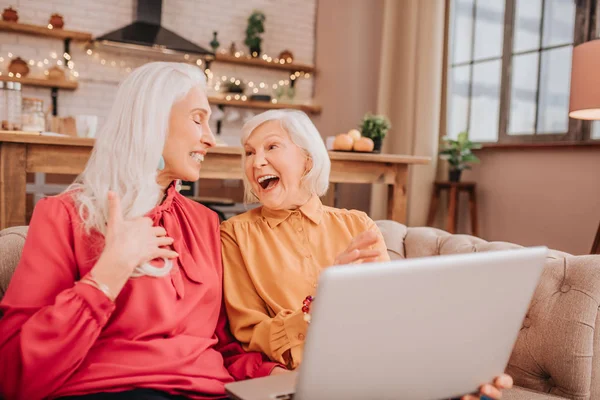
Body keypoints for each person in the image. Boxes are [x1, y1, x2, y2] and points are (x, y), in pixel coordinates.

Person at [0, 62, 284, 400]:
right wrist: (109, 273)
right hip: (113, 391)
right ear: (152, 121)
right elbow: (13, 373)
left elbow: (220, 344)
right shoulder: (64, 216)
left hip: (209, 392)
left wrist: (276, 374)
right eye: (197, 119)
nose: (210, 138)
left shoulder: (205, 222)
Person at [221, 109, 513, 400]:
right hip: (315, 379)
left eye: (271, 147)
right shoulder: (234, 234)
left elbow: (393, 317)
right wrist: (318, 306)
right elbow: (250, 336)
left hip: (381, 369)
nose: (257, 162)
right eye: (248, 153)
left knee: (480, 391)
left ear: (307, 160)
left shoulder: (356, 224)